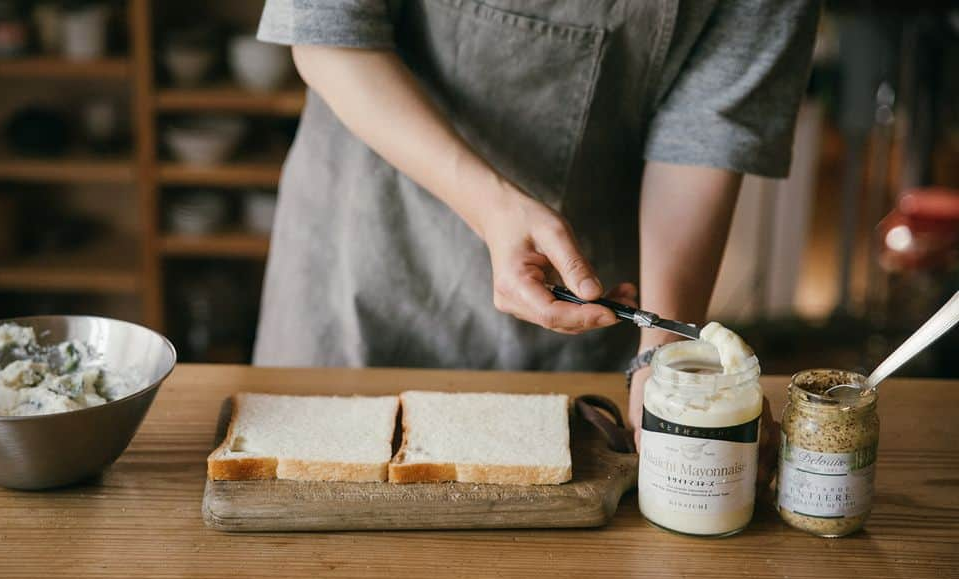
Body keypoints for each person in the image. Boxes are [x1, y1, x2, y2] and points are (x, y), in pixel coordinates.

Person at [252, 0, 819, 440]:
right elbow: (327, 35)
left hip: (579, 306)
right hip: (365, 253)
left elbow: (704, 134)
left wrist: (662, 357)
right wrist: (494, 207)